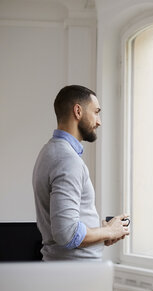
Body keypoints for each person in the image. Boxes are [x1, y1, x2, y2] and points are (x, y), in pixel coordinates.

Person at [32, 85, 129, 261]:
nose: (99, 121)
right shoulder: (67, 161)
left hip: (66, 273)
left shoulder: (49, 152)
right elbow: (66, 234)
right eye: (96, 112)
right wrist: (110, 230)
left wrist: (102, 234)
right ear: (78, 111)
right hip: (74, 277)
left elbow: (64, 229)